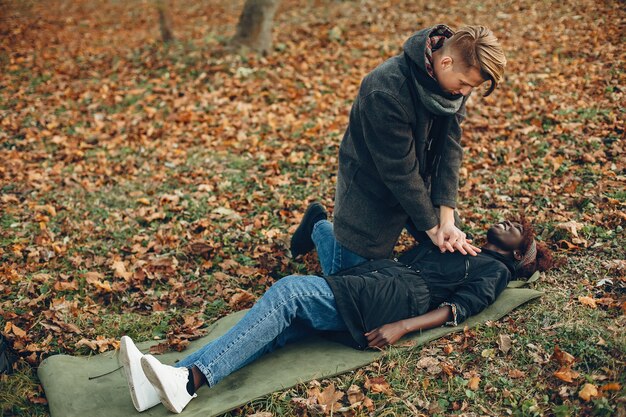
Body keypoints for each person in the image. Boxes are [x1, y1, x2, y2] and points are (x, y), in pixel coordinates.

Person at [120, 214, 553, 414]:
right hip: (380, 278)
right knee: (283, 322)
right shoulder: (465, 245)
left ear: (520, 254)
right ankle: (166, 383)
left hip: (392, 300)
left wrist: (403, 327)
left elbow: (460, 307)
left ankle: (188, 380)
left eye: (518, 230)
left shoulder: (494, 271)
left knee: (289, 294)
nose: (509, 222)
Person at [291, 25, 506, 274]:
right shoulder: (384, 90)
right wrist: (433, 229)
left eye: (472, 87)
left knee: (451, 255)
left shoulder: (455, 83)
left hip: (419, 182)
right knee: (350, 279)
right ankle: (318, 224)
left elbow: (450, 147)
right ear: (445, 62)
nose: (466, 92)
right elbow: (399, 172)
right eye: (465, 84)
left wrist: (446, 219)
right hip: (371, 185)